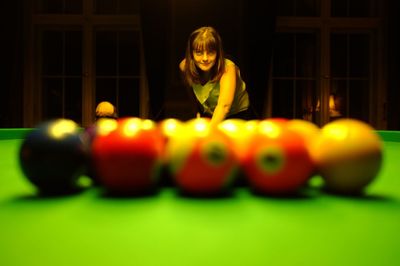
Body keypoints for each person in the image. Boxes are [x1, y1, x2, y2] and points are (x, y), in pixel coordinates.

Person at [179, 26, 252, 126]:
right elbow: (190, 91)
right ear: (191, 54)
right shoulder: (185, 67)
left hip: (237, 116)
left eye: (211, 52)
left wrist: (209, 134)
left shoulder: (228, 68)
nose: (205, 58)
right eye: (199, 52)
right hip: (209, 113)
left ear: (218, 53)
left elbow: (224, 106)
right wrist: (196, 111)